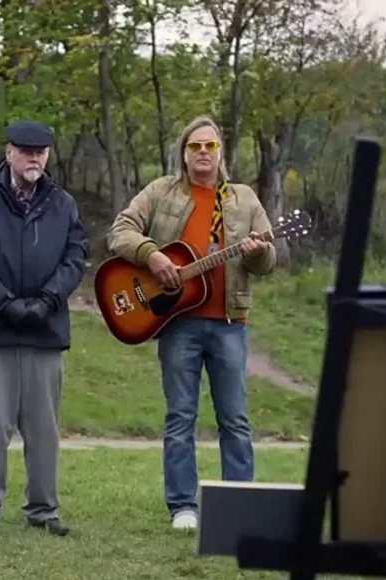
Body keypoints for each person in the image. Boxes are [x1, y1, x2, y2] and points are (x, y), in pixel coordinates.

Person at [105, 116, 276, 531]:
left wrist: (255, 252)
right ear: (183, 152)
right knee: (180, 416)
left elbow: (268, 260)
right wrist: (153, 255)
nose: (203, 153)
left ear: (221, 154)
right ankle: (183, 506)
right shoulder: (160, 192)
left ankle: (238, 506)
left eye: (211, 147)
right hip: (177, 323)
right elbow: (120, 231)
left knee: (234, 418)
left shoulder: (244, 198)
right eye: (195, 146)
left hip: (229, 323)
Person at [0, 120, 89, 539]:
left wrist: (48, 300)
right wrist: (5, 304)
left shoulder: (63, 203)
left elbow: (75, 255)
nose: (34, 158)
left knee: (44, 429)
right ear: (9, 152)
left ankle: (44, 509)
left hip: (45, 331)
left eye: (41, 151)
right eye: (26, 150)